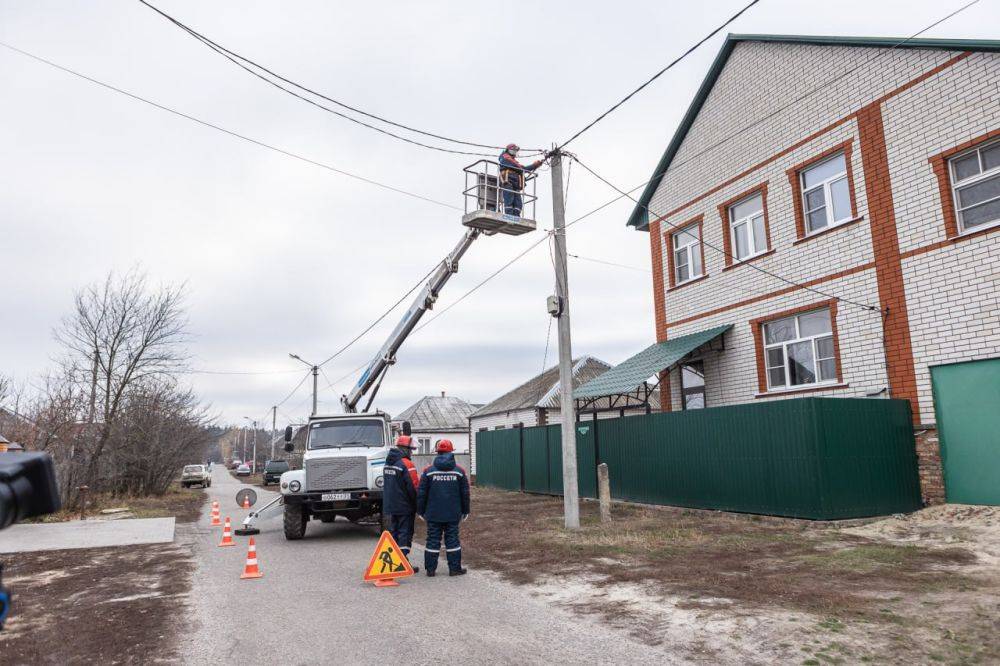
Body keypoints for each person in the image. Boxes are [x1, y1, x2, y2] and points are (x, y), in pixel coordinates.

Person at [416, 439, 470, 577]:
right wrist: (466, 510)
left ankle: (430, 569)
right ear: (451, 452)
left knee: (433, 539)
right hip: (453, 513)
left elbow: (422, 493)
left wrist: (420, 510)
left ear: (437, 452)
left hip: (433, 514)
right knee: (452, 540)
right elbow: (465, 493)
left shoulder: (428, 471)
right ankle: (454, 569)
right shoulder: (459, 471)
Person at [382, 435, 420, 573]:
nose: (411, 452)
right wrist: (418, 505)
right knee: (405, 533)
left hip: (390, 506)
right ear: (405, 449)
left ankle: (396, 561)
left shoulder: (388, 463)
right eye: (411, 450)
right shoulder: (406, 464)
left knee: (394, 533)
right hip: (404, 506)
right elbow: (414, 487)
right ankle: (401, 562)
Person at [498, 143, 543, 217]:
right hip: (508, 181)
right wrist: (534, 165)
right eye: (513, 150)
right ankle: (509, 216)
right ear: (508, 150)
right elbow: (522, 168)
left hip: (515, 182)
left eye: (516, 151)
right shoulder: (505, 157)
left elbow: (521, 168)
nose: (515, 152)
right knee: (509, 199)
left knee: (518, 202)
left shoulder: (512, 160)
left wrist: (535, 165)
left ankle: (516, 216)